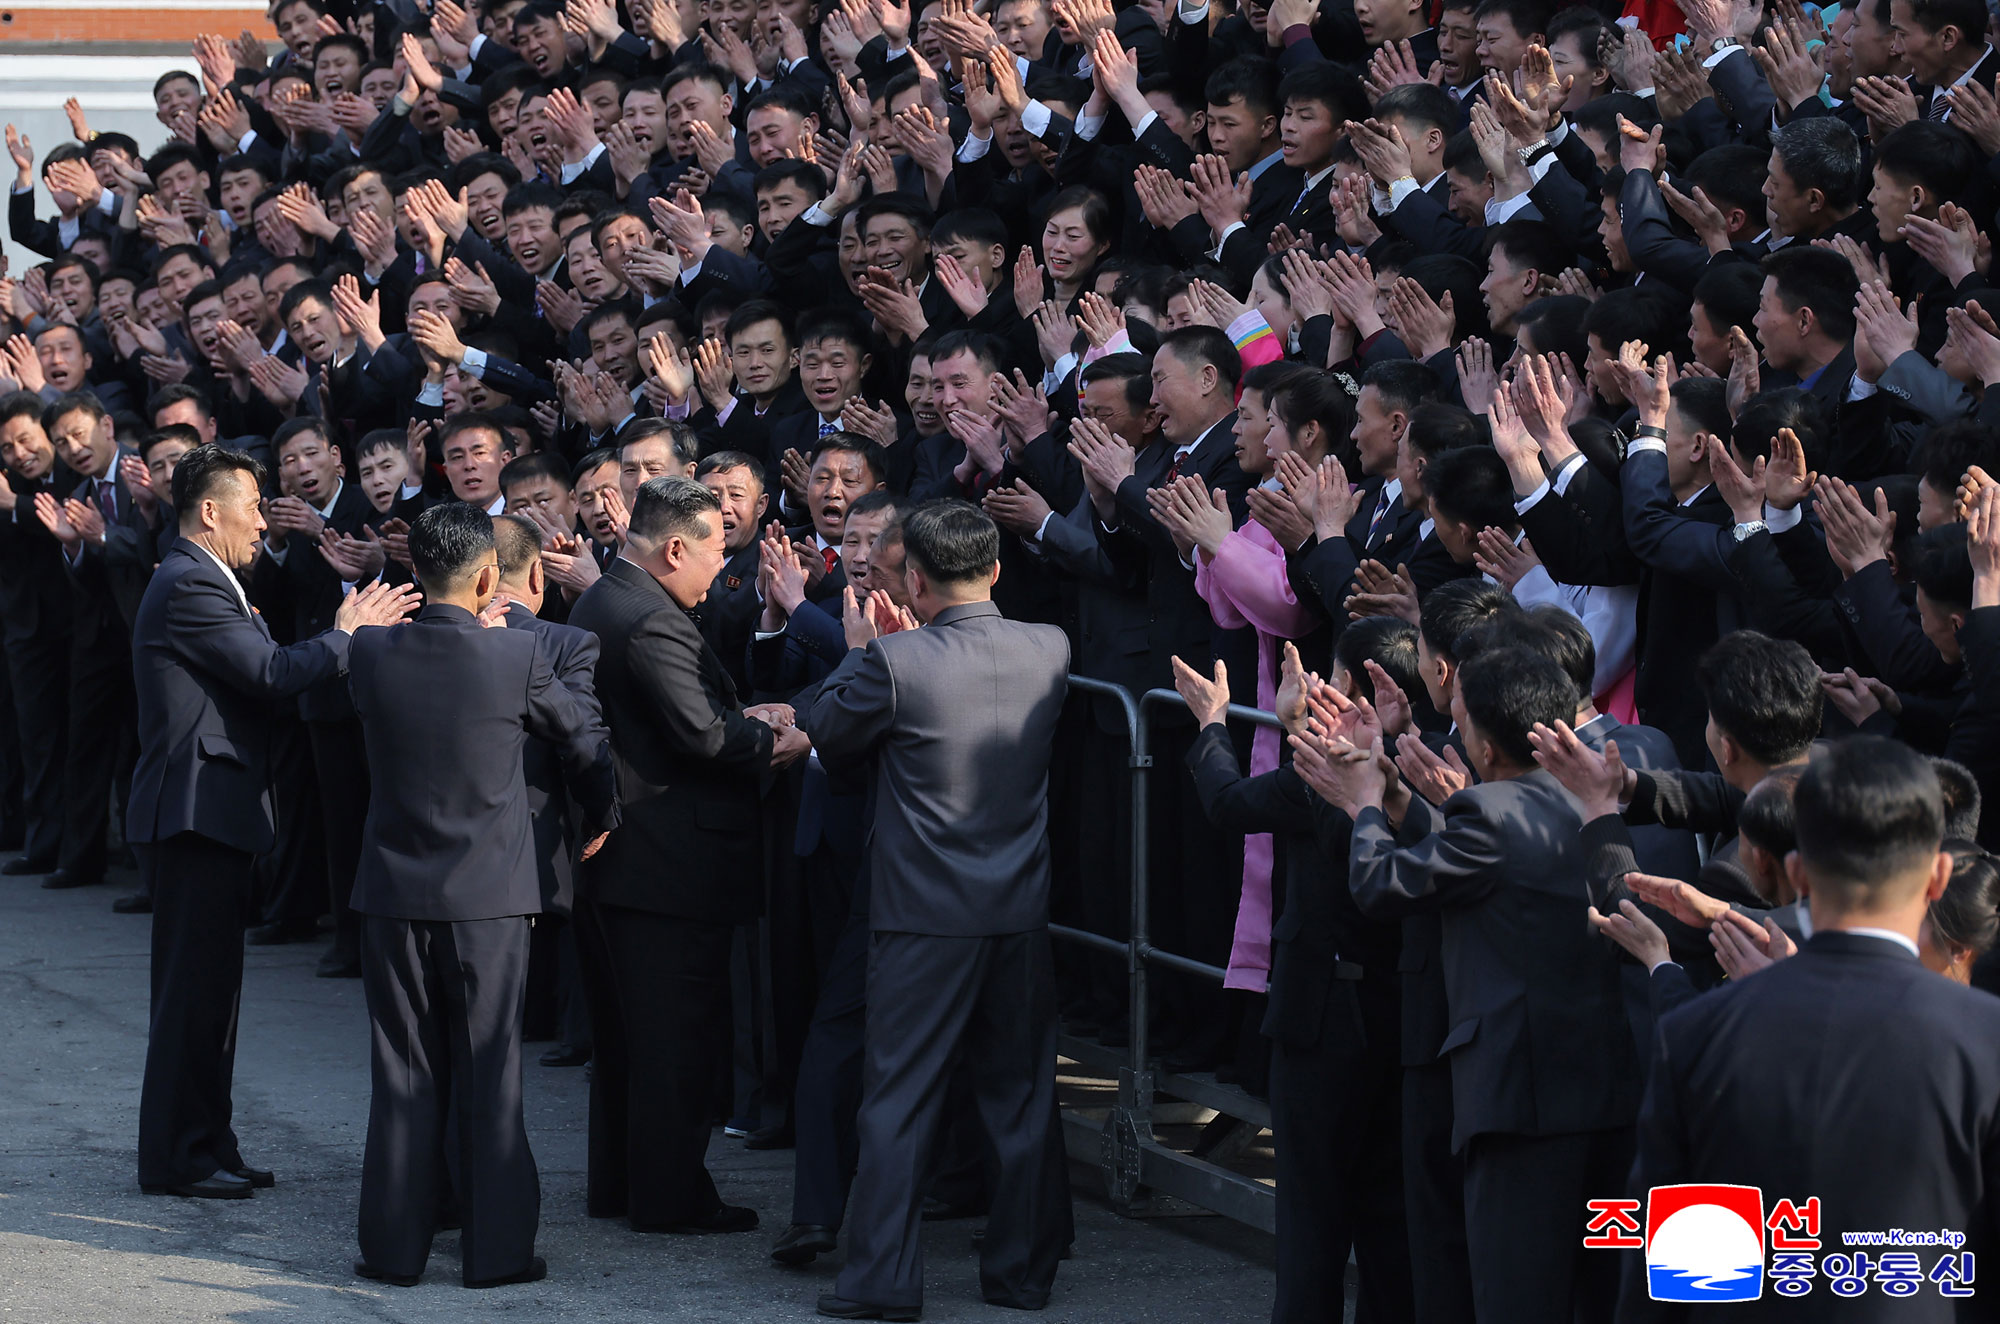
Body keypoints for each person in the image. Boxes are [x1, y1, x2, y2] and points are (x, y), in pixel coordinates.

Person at [1621, 737, 2000, 1321]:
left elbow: (1684, 1280)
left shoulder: (1696, 1035)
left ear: (1797, 873)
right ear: (1938, 876)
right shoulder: (1984, 1038)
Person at [806, 499, 1071, 1320]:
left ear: (913, 580)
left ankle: (884, 1280)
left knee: (899, 1098)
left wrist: (865, 651)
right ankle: (1022, 1276)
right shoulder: (1050, 648)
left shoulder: (896, 664)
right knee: (1022, 1097)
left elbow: (828, 730)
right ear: (995, 569)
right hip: (1018, 908)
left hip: (921, 916)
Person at [129, 444, 414, 1200]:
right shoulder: (191, 582)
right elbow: (272, 674)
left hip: (214, 813)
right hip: (193, 814)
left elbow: (267, 668)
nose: (263, 519)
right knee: (193, 994)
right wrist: (347, 632)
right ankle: (178, 1157)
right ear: (211, 510)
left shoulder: (211, 580)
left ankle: (208, 1142)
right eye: (252, 505)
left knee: (214, 995)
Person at [345, 501, 616, 1288]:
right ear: (490, 576)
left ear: (413, 573)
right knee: (490, 1071)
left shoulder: (368, 653)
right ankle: (496, 1255)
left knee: (400, 1072)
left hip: (393, 891)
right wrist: (599, 817)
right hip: (491, 897)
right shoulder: (516, 659)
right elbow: (585, 745)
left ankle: (393, 1251)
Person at [565, 476, 809, 1233]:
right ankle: (670, 1199)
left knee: (630, 1040)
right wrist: (776, 736)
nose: (719, 568)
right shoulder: (650, 620)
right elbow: (703, 736)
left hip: (630, 861)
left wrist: (740, 714)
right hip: (668, 863)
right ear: (675, 548)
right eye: (714, 552)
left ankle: (623, 1185)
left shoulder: (612, 596)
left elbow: (684, 716)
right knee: (675, 1040)